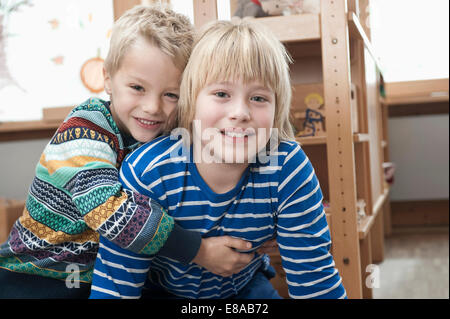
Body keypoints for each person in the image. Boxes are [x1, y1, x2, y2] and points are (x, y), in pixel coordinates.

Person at [0, 6, 255, 299]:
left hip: (115, 275)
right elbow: (111, 214)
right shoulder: (83, 130)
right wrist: (198, 251)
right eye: (137, 87)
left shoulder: (171, 138)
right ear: (107, 78)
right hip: (38, 275)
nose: (152, 107)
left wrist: (256, 231)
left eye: (171, 94)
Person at [90, 19, 347, 299]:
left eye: (259, 98)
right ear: (190, 101)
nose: (240, 112)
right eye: (221, 94)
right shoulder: (149, 171)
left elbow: (316, 281)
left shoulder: (287, 167)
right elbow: (116, 286)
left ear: (277, 108)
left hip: (245, 289)